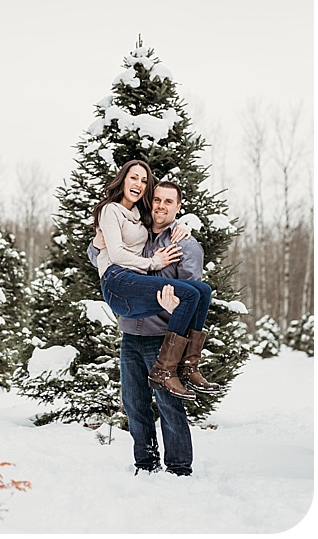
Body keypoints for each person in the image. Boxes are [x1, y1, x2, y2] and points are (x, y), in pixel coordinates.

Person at [93, 163, 213, 469]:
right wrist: (96, 243)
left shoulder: (185, 244)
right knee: (135, 405)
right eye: (157, 200)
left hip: (161, 337)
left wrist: (176, 312)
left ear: (178, 207)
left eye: (168, 202)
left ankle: (178, 467)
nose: (160, 206)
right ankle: (145, 463)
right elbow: (104, 254)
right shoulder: (142, 231)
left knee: (170, 406)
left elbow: (194, 290)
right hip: (130, 333)